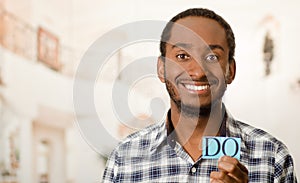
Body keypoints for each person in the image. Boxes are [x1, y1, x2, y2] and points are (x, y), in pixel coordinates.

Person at [102, 8, 297, 182]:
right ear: (162, 69)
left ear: (230, 70)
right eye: (182, 56)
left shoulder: (273, 158)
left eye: (212, 57)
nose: (198, 71)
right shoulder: (124, 158)